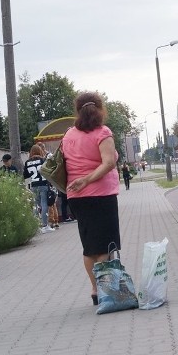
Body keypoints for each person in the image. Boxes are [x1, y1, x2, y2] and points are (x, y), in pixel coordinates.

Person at [62, 92, 120, 305]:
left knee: (89, 246)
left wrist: (80, 182)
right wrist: (87, 180)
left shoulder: (69, 134)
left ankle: (95, 290)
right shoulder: (103, 132)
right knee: (104, 246)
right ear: (100, 108)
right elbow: (108, 163)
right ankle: (107, 293)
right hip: (101, 194)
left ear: (78, 111)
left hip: (76, 197)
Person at [23, 144, 55, 233]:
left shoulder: (27, 162)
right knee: (44, 204)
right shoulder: (43, 160)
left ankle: (36, 226)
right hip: (43, 184)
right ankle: (45, 225)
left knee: (36, 205)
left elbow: (26, 175)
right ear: (40, 151)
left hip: (34, 185)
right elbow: (48, 171)